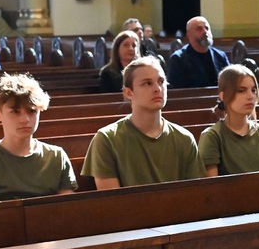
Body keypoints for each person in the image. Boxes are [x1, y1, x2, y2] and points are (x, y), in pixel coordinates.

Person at [82, 56, 204, 189]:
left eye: (161, 81)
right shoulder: (107, 139)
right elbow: (112, 199)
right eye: (147, 83)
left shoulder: (184, 138)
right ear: (128, 92)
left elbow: (195, 193)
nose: (158, 89)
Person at [0, 74, 78, 203]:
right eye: (15, 112)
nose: (25, 120)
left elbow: (67, 207)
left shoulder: (56, 156)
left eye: (32, 111)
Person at [199, 64, 259, 176]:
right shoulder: (212, 136)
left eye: (253, 90)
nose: (250, 96)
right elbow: (212, 183)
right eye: (241, 91)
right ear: (223, 96)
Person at [166, 16, 229, 88]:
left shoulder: (220, 56)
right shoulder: (178, 59)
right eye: (199, 29)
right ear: (189, 34)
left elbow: (231, 84)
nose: (205, 32)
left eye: (207, 28)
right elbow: (176, 91)